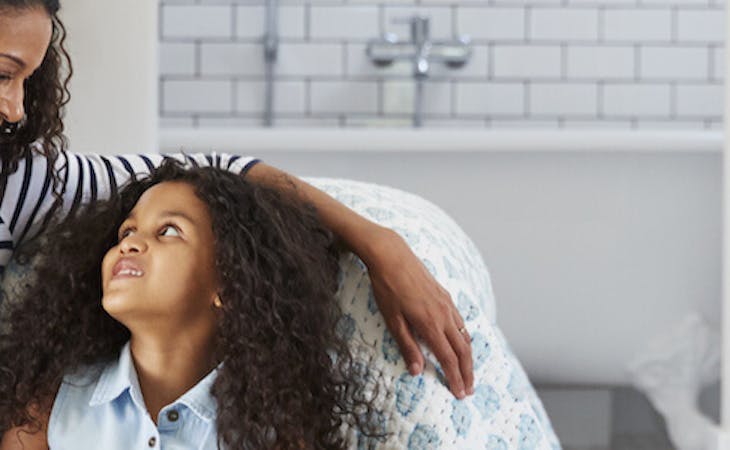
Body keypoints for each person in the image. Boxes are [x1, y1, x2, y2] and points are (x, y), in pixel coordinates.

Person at [0, 0, 474, 398]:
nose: (17, 110)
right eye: (4, 74)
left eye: (27, 81)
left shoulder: (24, 184)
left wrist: (378, 244)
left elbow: (217, 173)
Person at [0, 160, 385, 449]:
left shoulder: (275, 433)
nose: (129, 244)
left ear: (230, 283)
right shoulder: (48, 408)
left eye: (168, 231)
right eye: (127, 231)